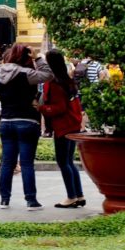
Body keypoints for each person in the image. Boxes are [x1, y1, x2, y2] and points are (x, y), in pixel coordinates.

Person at [0, 43, 54, 210]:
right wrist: (37, 57)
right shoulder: (27, 74)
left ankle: (4, 199)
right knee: (27, 163)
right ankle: (31, 200)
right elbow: (48, 74)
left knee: (8, 163)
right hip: (27, 121)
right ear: (25, 57)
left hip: (7, 123)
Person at [39, 49, 85, 209]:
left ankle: (71, 196)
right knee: (69, 161)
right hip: (73, 124)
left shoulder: (55, 83)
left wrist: (41, 108)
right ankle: (79, 195)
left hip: (63, 126)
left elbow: (59, 107)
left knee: (63, 161)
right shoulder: (67, 80)